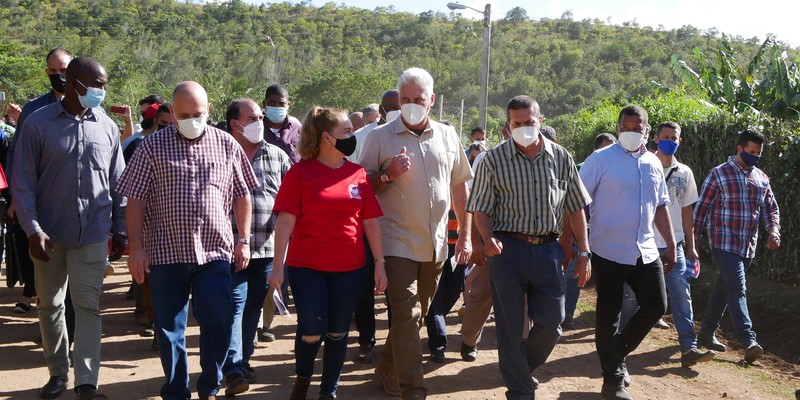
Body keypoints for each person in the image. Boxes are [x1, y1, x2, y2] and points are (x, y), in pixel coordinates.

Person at [116, 81, 257, 400]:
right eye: (184, 114)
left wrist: (244, 239)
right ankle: (177, 390)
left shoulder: (226, 144)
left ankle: (210, 382)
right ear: (171, 113)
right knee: (169, 331)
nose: (192, 120)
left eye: (199, 114)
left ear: (209, 111)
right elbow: (135, 200)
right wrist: (136, 249)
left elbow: (243, 194)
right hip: (165, 255)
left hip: (214, 254)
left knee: (218, 322)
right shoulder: (152, 147)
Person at [11, 56, 126, 400]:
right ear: (74, 83)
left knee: (88, 305)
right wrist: (31, 229)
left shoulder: (106, 126)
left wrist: (119, 229)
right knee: (50, 305)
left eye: (103, 85)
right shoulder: (38, 124)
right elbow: (22, 181)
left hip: (91, 233)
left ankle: (87, 381)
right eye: (97, 85)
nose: (101, 92)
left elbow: (116, 181)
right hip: (48, 235)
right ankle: (57, 373)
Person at [468, 95, 592, 400]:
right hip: (507, 250)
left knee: (553, 322)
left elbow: (576, 209)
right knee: (511, 326)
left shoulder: (561, 157)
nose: (524, 127)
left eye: (529, 122)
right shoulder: (493, 160)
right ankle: (520, 389)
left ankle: (520, 368)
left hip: (549, 251)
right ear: (508, 126)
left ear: (541, 120)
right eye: (517, 123)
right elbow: (481, 208)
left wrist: (583, 253)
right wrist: (486, 238)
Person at [360, 67, 472, 400]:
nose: (411, 105)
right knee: (407, 314)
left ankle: (386, 364)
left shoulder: (448, 135)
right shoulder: (380, 137)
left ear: (431, 100)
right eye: (405, 99)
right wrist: (387, 175)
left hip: (436, 243)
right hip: (395, 241)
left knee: (418, 314)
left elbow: (459, 187)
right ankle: (414, 387)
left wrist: (464, 235)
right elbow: (361, 187)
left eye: (418, 99)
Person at [269, 106, 387, 400]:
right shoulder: (300, 173)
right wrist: (277, 266)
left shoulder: (357, 173)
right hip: (306, 266)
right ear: (326, 138)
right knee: (311, 329)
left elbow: (370, 221)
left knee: (337, 332)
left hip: (349, 268)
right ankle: (303, 379)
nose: (352, 137)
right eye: (346, 132)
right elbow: (285, 221)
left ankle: (328, 391)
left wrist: (380, 263)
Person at [579, 105, 677, 400]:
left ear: (648, 131)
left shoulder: (652, 164)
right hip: (607, 249)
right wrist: (579, 247)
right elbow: (578, 204)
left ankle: (614, 353)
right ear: (618, 127)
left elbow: (660, 206)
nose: (632, 132)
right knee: (608, 314)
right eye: (626, 127)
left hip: (645, 249)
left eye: (638, 128)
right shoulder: (599, 160)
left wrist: (671, 245)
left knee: (656, 305)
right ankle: (613, 381)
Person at [220, 98, 292, 396]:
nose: (260, 122)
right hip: (229, 248)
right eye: (252, 118)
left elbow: (291, 202)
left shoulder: (277, 156)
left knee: (252, 308)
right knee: (234, 307)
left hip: (266, 250)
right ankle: (233, 368)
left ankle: (242, 360)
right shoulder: (220, 153)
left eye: (260, 116)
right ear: (234, 124)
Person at [694, 128, 780, 363]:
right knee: (737, 289)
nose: (755, 156)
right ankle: (748, 340)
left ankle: (706, 332)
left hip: (747, 245)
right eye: (751, 151)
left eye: (758, 153)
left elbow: (770, 208)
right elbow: (701, 209)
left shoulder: (761, 178)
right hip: (724, 242)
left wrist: (773, 229)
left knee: (724, 288)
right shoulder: (718, 174)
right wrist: (693, 241)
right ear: (739, 148)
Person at [7, 47, 74, 316]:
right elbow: (16, 155)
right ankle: (49, 320)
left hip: (74, 203)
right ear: (46, 72)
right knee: (43, 260)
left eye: (65, 70)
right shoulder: (34, 110)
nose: (59, 75)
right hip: (38, 202)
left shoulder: (91, 107)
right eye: (53, 71)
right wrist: (16, 198)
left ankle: (67, 326)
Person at [349, 89, 401, 364]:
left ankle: (396, 341)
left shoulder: (408, 136)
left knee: (397, 289)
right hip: (367, 224)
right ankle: (366, 340)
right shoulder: (362, 138)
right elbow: (354, 181)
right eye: (390, 106)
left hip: (398, 226)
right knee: (365, 287)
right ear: (381, 111)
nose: (397, 109)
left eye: (400, 104)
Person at [561, 133, 616, 330]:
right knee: (573, 274)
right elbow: (573, 205)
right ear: (595, 151)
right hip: (583, 230)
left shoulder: (620, 170)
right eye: (605, 148)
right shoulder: (581, 169)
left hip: (606, 234)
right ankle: (566, 315)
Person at [348, 90, 400, 164]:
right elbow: (351, 169)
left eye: (402, 108)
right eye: (393, 108)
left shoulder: (406, 134)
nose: (398, 112)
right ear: (381, 110)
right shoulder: (359, 137)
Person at [262, 83, 301, 164]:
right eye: (272, 102)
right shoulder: (256, 127)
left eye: (281, 103)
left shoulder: (297, 128)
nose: (277, 106)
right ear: (264, 104)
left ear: (288, 105)